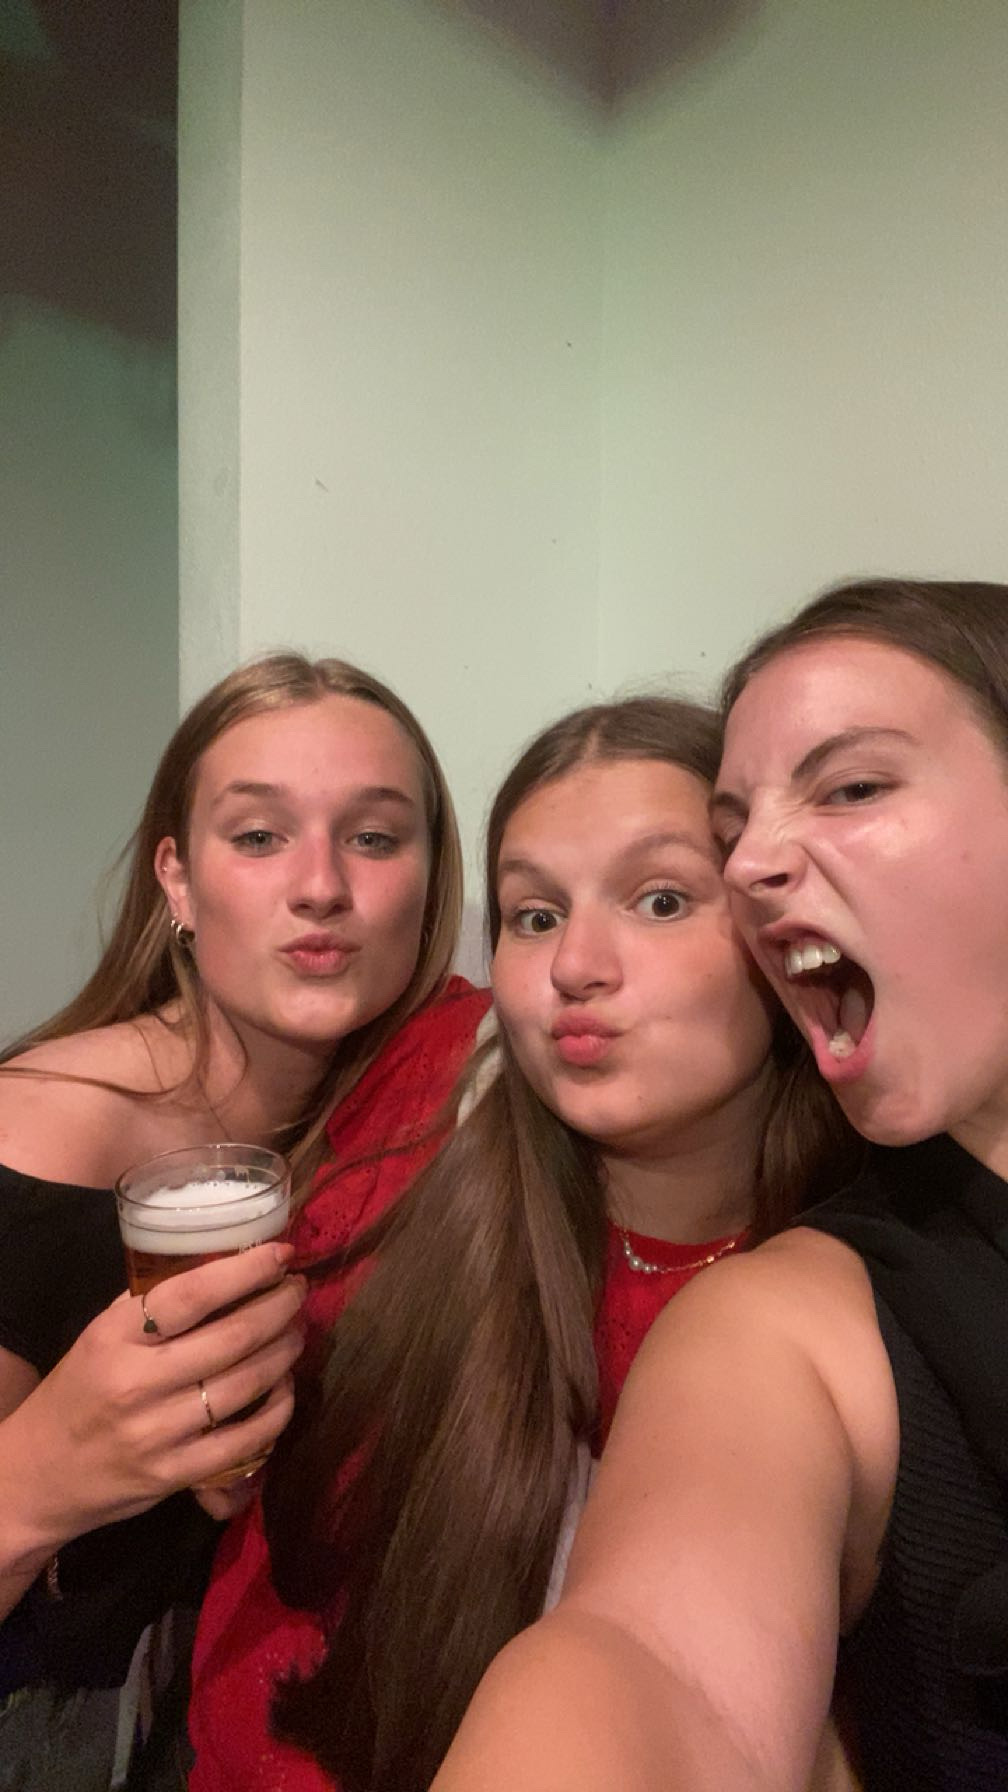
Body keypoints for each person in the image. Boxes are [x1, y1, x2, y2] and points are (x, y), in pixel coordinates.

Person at [186, 694, 855, 1792]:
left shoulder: (860, 1291)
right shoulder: (423, 1109)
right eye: (534, 916)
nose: (575, 965)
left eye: (659, 899)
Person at [430, 578, 1008, 1792]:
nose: (755, 864)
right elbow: (654, 1666)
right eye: (531, 914)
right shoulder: (796, 1324)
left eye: (851, 787)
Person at [0, 651, 479, 1788]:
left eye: (374, 837)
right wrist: (46, 1474)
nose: (321, 886)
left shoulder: (424, 1103)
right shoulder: (41, 1136)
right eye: (259, 836)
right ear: (176, 878)